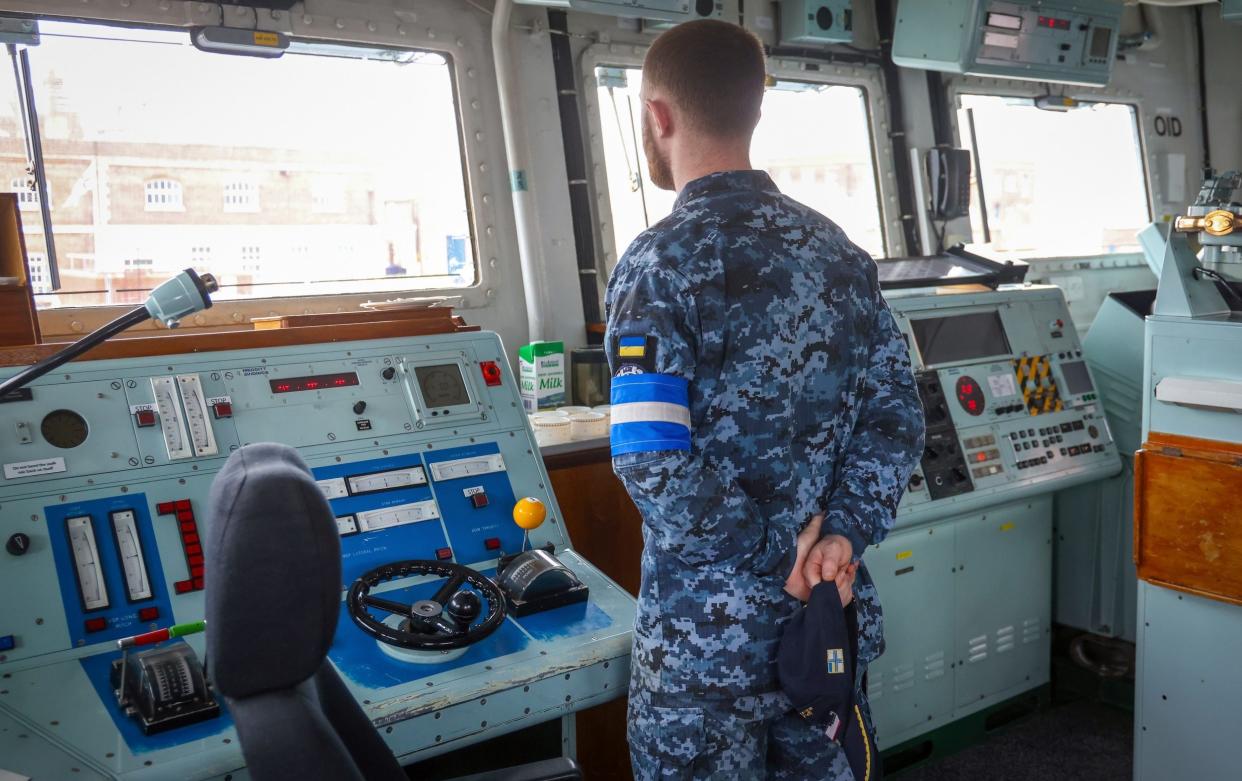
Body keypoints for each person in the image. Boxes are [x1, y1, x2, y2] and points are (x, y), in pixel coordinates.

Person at [604, 19, 925, 780]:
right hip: (824, 626)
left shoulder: (661, 265)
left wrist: (777, 550)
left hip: (705, 661)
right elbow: (895, 420)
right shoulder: (840, 255)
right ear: (754, 110)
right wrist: (838, 539)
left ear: (658, 116)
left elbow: (651, 460)